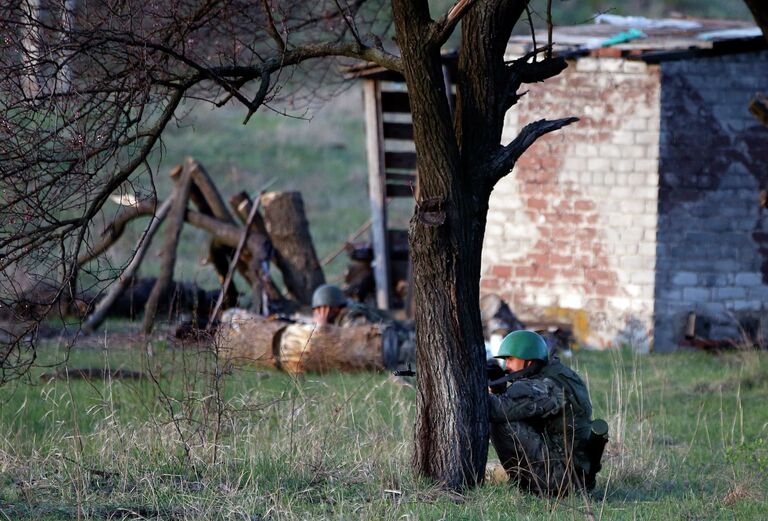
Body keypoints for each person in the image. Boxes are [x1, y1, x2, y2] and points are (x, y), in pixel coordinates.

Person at [487, 330, 606, 496]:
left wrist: (483, 392)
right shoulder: (560, 374)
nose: (507, 366)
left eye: (510, 359)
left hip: (561, 480)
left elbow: (495, 410)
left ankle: (527, 486)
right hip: (577, 475)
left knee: (502, 421)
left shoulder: (544, 386)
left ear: (528, 362)